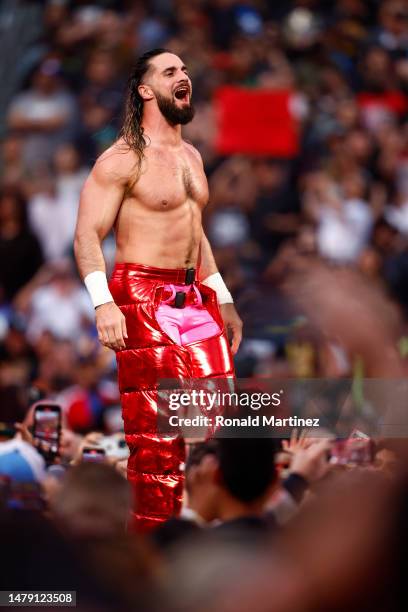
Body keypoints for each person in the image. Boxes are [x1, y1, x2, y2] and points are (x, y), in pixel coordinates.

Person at [74, 48, 242, 531]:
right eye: (171, 71)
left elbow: (195, 231)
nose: (183, 75)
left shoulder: (191, 155)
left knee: (217, 422)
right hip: (142, 292)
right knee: (158, 438)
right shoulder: (123, 158)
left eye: (186, 69)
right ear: (146, 89)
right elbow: (87, 233)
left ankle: (213, 533)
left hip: (193, 295)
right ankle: (155, 548)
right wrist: (103, 301)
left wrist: (223, 297)